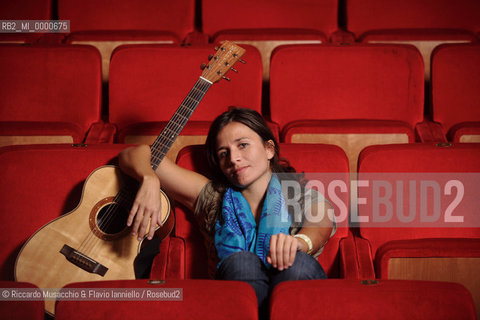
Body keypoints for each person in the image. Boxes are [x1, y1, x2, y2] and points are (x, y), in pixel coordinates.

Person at [119, 107, 335, 318]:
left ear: (269, 149)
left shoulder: (300, 194)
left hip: (296, 295)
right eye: (224, 153)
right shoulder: (212, 197)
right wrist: (149, 179)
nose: (233, 158)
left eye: (243, 145)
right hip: (234, 300)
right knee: (242, 263)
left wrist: (300, 242)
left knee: (296, 264)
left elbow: (321, 223)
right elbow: (134, 153)